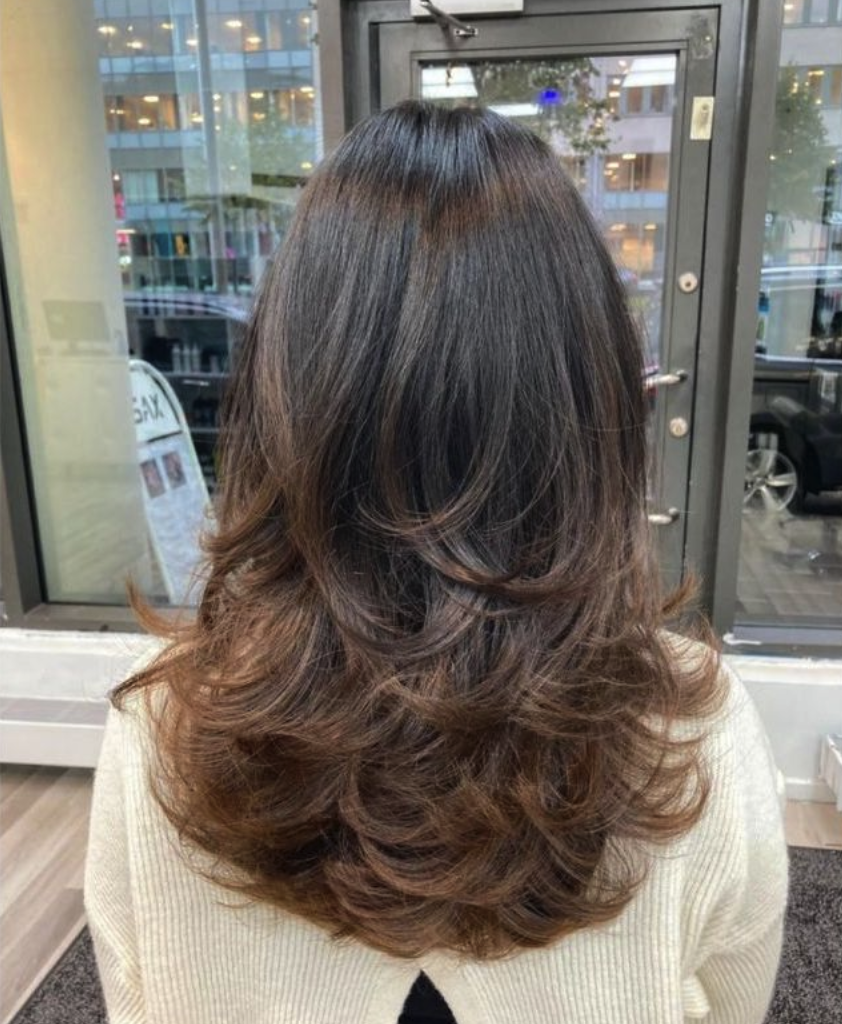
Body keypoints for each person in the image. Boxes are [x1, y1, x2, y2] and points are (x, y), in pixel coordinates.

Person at [85, 101, 788, 1024]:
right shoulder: (691, 733)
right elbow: (731, 1004)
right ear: (594, 406)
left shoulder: (166, 723)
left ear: (284, 388)